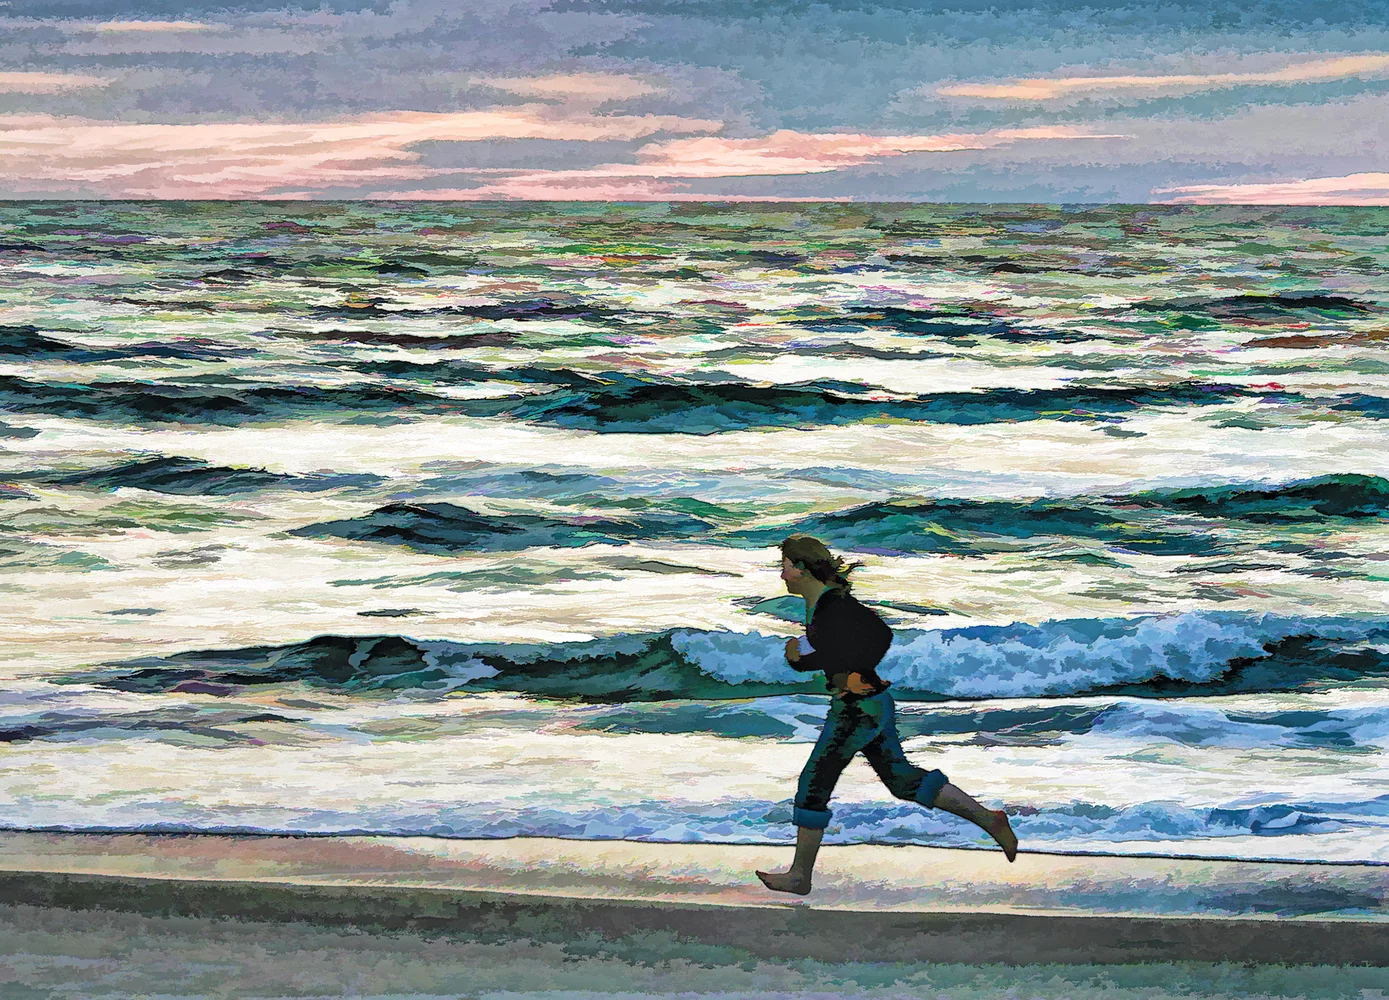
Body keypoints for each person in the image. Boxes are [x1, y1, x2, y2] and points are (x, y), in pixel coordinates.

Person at [755, 534, 1018, 895]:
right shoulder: (824, 604)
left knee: (813, 785)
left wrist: (853, 671)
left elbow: (880, 635)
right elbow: (836, 650)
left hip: (858, 710)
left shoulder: (833, 606)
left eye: (784, 566)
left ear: (801, 568)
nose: (781, 574)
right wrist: (802, 661)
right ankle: (989, 819)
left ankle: (800, 877)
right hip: (871, 705)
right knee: (902, 781)